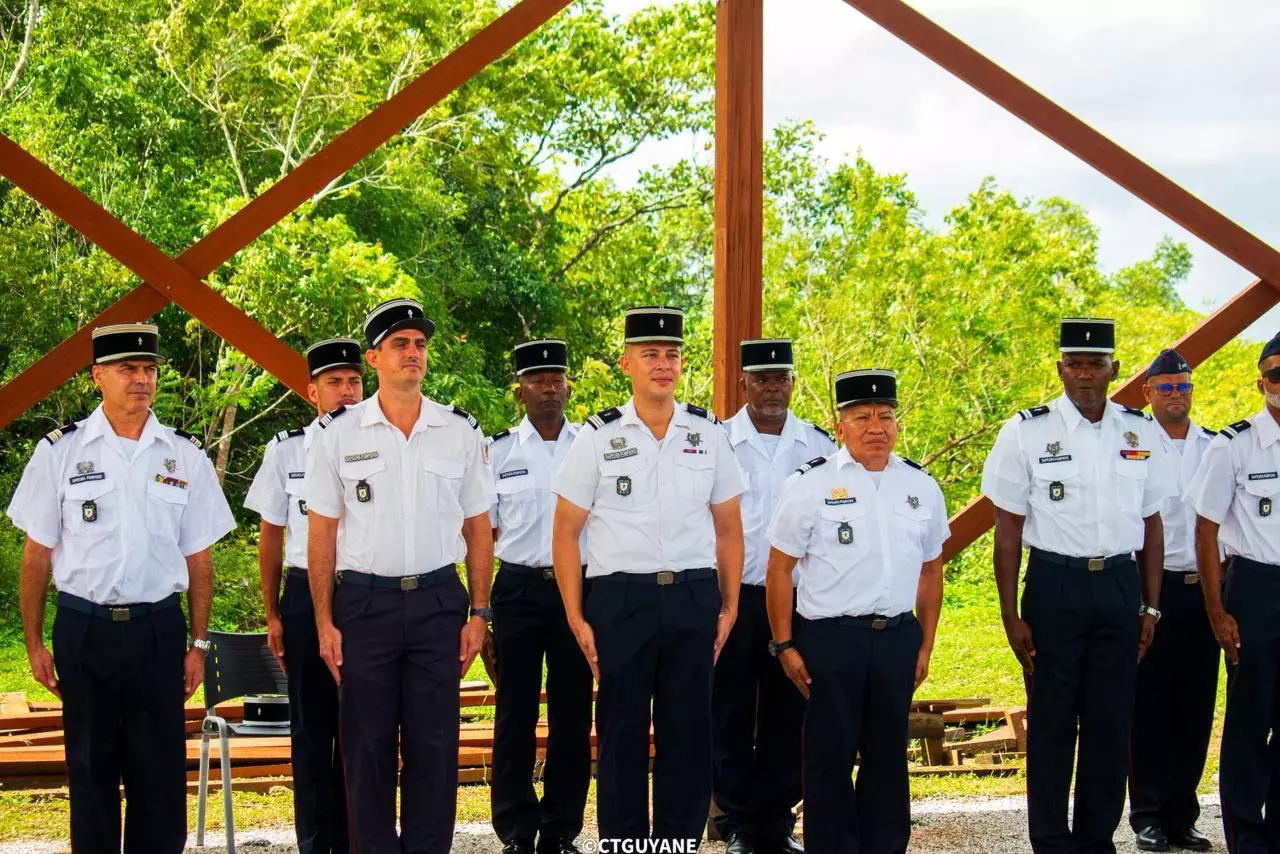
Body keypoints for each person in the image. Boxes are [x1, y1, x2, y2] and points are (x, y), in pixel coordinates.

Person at [7, 322, 236, 853]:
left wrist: (199, 643)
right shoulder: (60, 452)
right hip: (85, 629)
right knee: (91, 767)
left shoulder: (183, 454)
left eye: (149, 369)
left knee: (158, 771)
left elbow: (199, 558)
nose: (141, 379)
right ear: (97, 377)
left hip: (157, 630)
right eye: (127, 369)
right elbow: (37, 554)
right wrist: (34, 642)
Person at [304, 297, 496, 854]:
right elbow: (322, 535)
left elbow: (478, 528)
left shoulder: (457, 430)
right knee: (366, 749)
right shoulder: (339, 434)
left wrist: (479, 612)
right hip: (365, 607)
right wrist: (323, 620)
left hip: (438, 603)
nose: (413, 353)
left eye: (419, 344)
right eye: (399, 344)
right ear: (373, 358)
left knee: (434, 745)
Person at [550, 306, 745, 848]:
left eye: (672, 354)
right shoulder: (597, 436)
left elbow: (729, 528)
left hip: (691, 595)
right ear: (626, 364)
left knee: (688, 733)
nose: (663, 364)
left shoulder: (707, 433)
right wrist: (575, 615)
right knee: (621, 733)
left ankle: (677, 843)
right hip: (620, 601)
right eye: (651, 354)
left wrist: (729, 605)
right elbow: (565, 531)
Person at [981, 317, 1173, 854]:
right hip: (1054, 587)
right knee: (1052, 723)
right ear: (1060, 369)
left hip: (1118, 585)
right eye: (1075, 364)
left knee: (1110, 725)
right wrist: (1009, 614)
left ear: (1114, 369)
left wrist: (1151, 607)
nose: (1085, 373)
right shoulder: (1026, 431)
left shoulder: (1139, 432)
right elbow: (1007, 528)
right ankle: (1049, 840)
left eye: (1096, 363)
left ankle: (1095, 840)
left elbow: (1152, 525)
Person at [765, 368, 947, 854]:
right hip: (830, 640)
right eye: (862, 417)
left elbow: (932, 570)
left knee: (888, 757)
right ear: (839, 425)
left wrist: (926, 643)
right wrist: (784, 644)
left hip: (896, 638)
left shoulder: (919, 485)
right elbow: (779, 568)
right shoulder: (811, 484)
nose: (876, 427)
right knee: (828, 757)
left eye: (885, 416)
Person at [712, 338, 834, 854]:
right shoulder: (716, 440)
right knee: (729, 709)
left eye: (780, 378)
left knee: (791, 711)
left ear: (793, 382)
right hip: (734, 597)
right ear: (743, 383)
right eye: (761, 379)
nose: (771, 388)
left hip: (798, 600)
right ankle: (739, 823)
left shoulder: (819, 446)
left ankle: (778, 822)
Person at [244, 337, 364, 854]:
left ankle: (357, 838)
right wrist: (272, 612)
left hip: (362, 593)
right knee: (311, 727)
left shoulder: (382, 443)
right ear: (311, 391)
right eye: (334, 382)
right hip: (302, 593)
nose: (347, 391)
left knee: (361, 724)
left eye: (354, 381)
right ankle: (315, 842)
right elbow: (271, 536)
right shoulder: (287, 449)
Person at [487, 339, 592, 854]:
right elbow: (482, 533)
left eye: (557, 378)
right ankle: (515, 829)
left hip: (580, 590)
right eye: (537, 379)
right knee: (515, 712)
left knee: (573, 713)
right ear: (519, 391)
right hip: (518, 589)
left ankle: (560, 829)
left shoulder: (592, 445)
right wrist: (478, 607)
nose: (549, 387)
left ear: (568, 387)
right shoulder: (498, 452)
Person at [1185, 331, 1280, 854]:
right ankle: (1247, 836)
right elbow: (1205, 529)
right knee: (1250, 715)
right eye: (1277, 375)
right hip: (1255, 587)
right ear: (1261, 383)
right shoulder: (1234, 444)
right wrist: (1216, 609)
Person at [1127, 348, 1217, 853]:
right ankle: (1148, 815)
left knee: (1195, 705)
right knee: (1149, 704)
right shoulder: (1134, 443)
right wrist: (1144, 600)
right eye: (1165, 387)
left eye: (1183, 386)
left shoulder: (1214, 445)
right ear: (1148, 393)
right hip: (1153, 587)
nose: (1175, 395)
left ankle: (1183, 814)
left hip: (1203, 589)